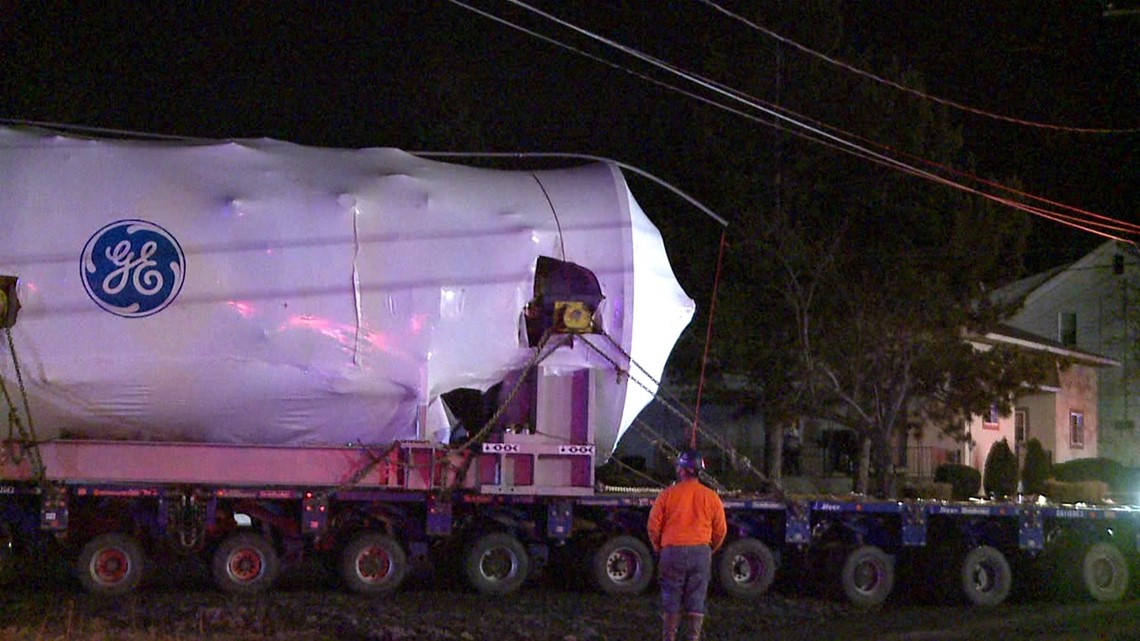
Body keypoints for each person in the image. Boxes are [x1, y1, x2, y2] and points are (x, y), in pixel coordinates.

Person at [647, 449, 727, 641]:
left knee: (671, 595)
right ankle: (693, 637)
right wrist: (709, 550)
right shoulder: (711, 497)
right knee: (697, 597)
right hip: (700, 552)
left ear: (681, 470)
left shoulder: (667, 495)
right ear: (700, 471)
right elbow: (720, 530)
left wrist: (660, 548)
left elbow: (653, 526)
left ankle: (669, 637)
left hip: (672, 551)